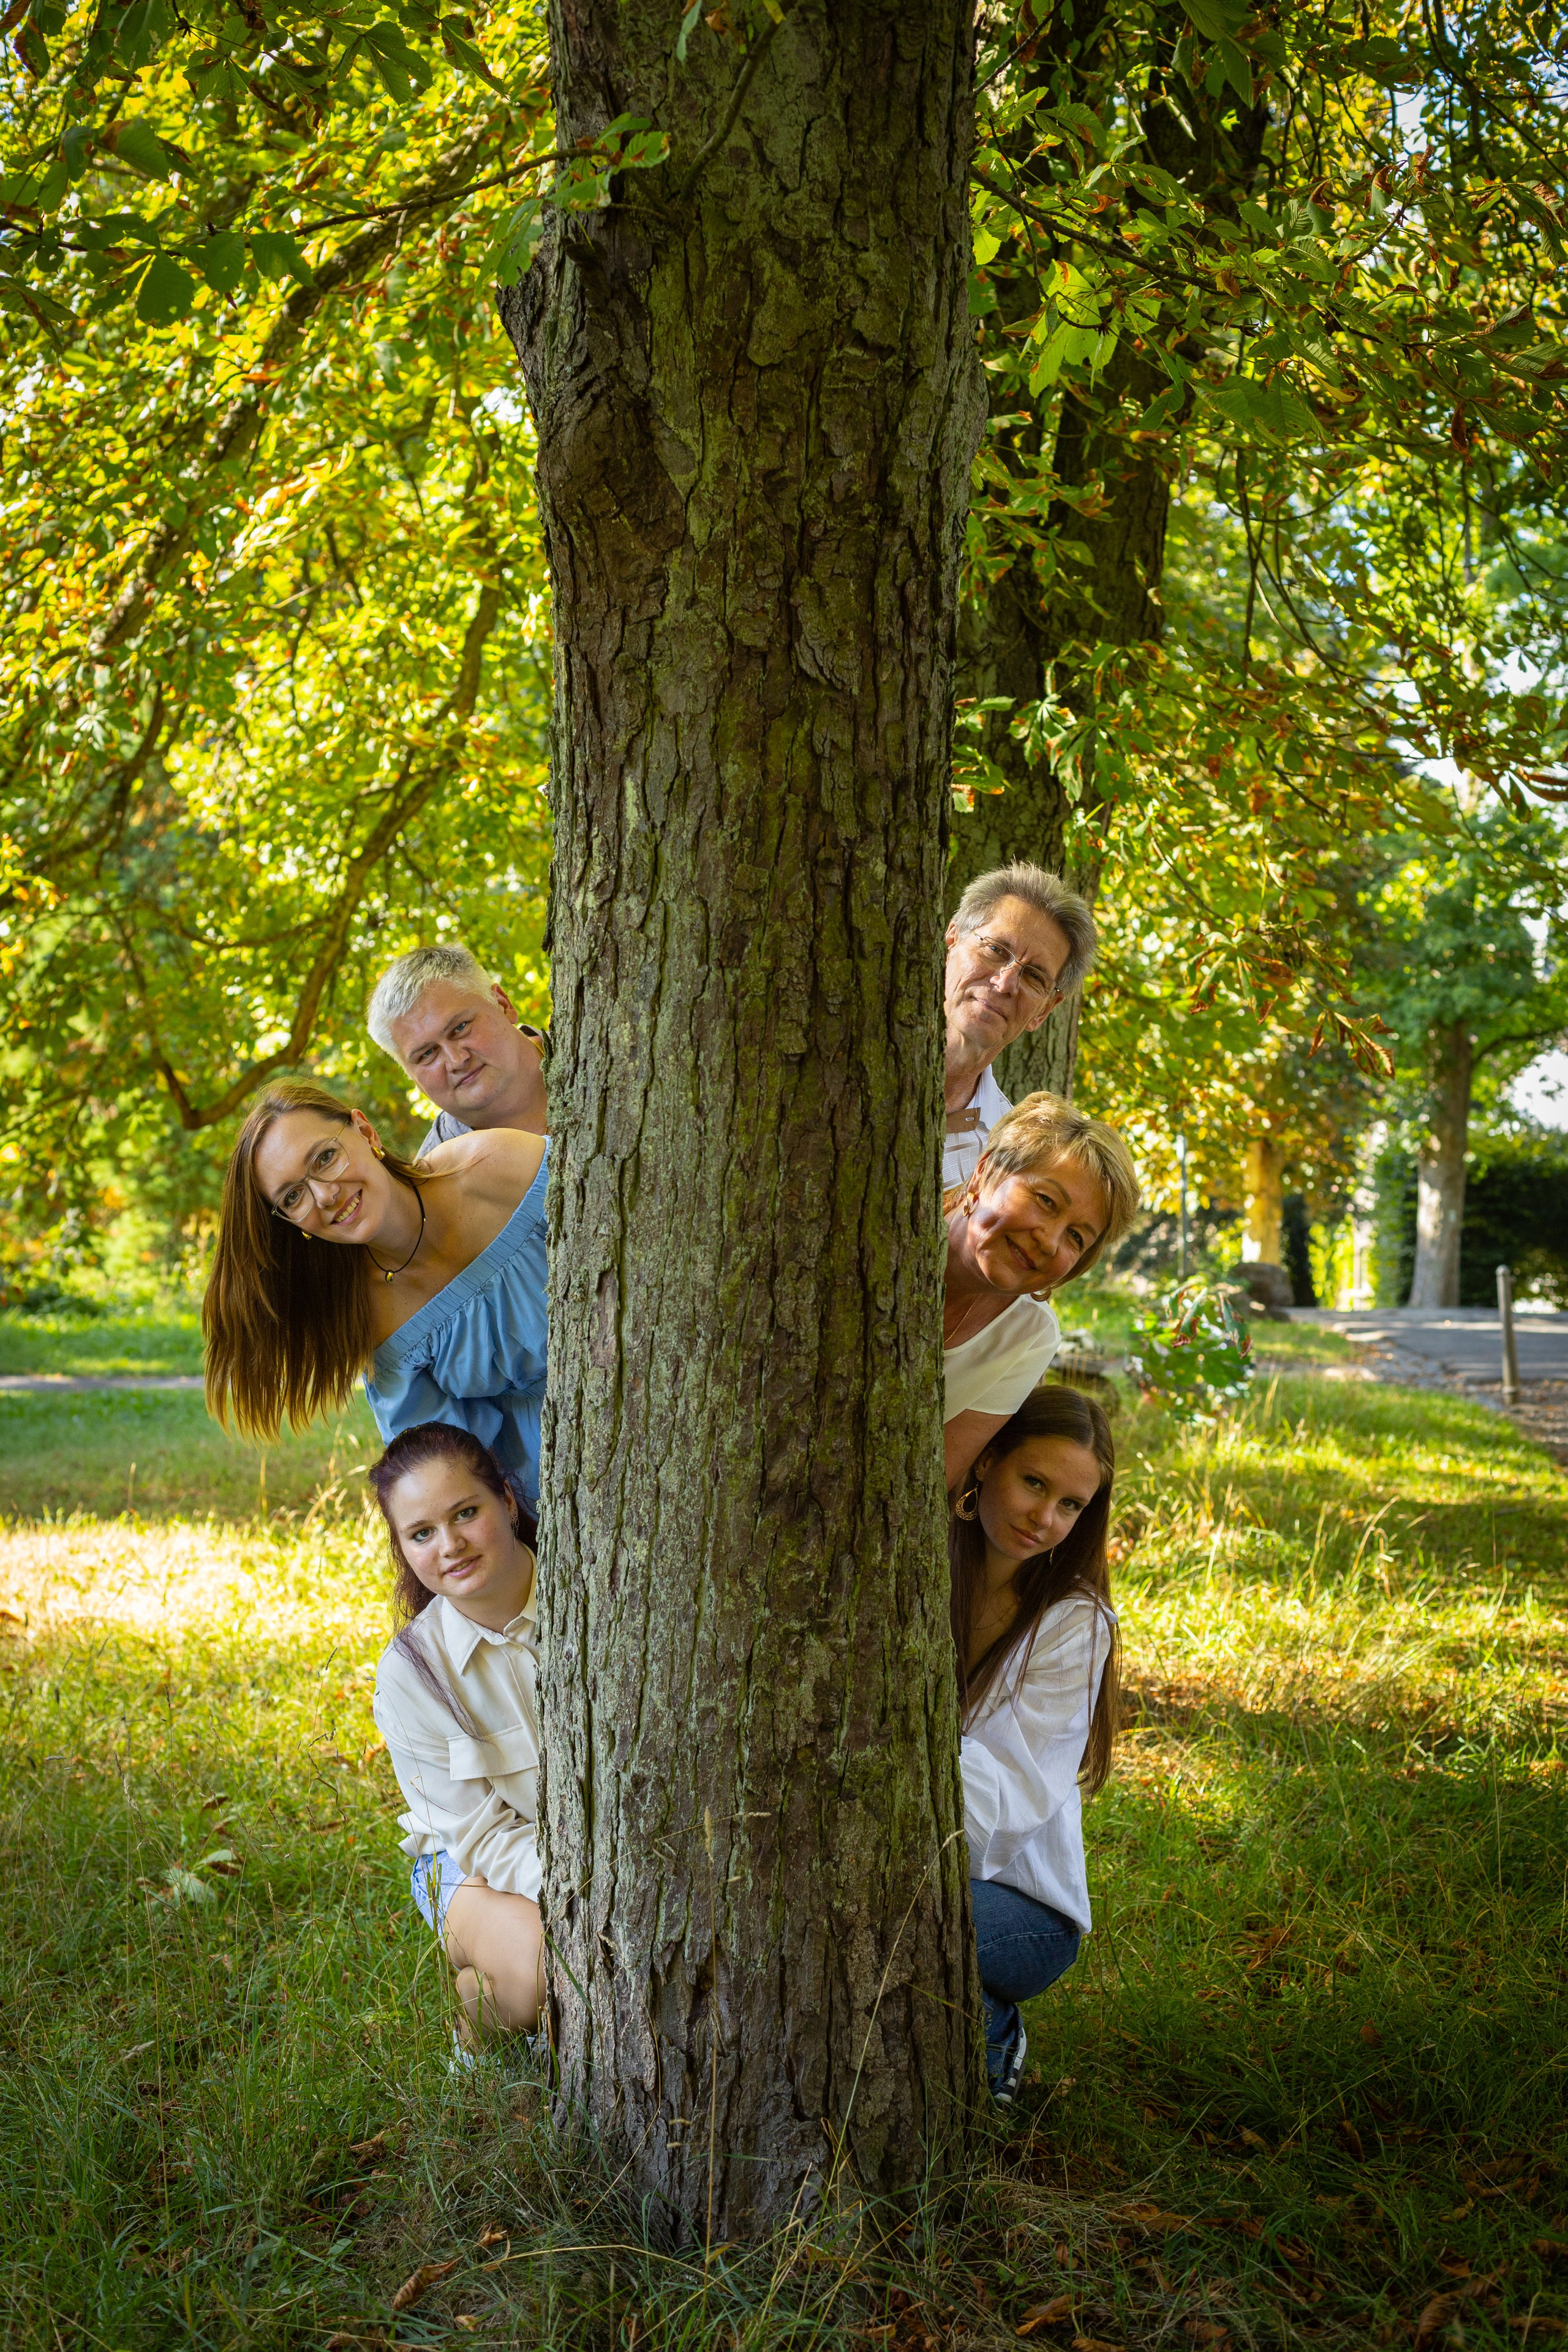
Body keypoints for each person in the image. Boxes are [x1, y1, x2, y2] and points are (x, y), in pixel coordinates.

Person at [203, 1077, 549, 1506]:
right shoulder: (371, 1316)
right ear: (289, 1222)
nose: (326, 1195)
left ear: (365, 1132)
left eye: (326, 1157)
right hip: (552, 1509)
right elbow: (441, 1473)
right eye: (294, 1197)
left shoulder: (491, 1166)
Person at [950, 1384, 1120, 2105]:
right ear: (986, 1462)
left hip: (1021, 1912)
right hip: (913, 1869)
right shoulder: (914, 1569)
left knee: (866, 1919)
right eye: (1034, 1483)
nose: (1045, 1519)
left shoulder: (1073, 1624)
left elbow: (1000, 1807)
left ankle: (991, 2037)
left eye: (1070, 1505)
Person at [369, 1422, 546, 2047]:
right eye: (421, 1533)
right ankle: (478, 2026)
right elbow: (482, 1836)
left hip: (580, 1855)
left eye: (465, 1513)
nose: (449, 1545)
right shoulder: (411, 1673)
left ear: (506, 1498)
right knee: (550, 1968)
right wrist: (589, 1893)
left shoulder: (595, 1599)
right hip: (467, 1861)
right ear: (404, 1547)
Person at [944, 1092, 1139, 1494]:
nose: (1049, 1242)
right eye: (1046, 1200)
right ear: (984, 1173)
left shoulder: (1030, 1335)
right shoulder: (887, 1230)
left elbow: (929, 1482)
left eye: (1075, 1236)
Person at [943, 864, 1098, 1191]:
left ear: (1044, 1011)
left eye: (1034, 977)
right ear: (951, 942)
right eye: (996, 950)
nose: (1006, 983)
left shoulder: (1011, 1156)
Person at [368, 943, 549, 1156]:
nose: (456, 1061)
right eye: (427, 1054)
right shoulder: (436, 1182)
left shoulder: (592, 1047)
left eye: (460, 1028)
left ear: (503, 1004)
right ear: (412, 1078)